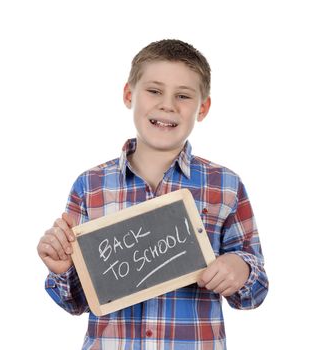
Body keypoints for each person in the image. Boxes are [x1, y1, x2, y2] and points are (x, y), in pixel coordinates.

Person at [37, 39, 268, 350]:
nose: (167, 105)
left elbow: (256, 290)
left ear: (203, 108)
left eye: (183, 96)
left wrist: (241, 270)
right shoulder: (89, 186)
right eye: (154, 91)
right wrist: (63, 269)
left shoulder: (225, 185)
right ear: (129, 94)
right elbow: (75, 302)